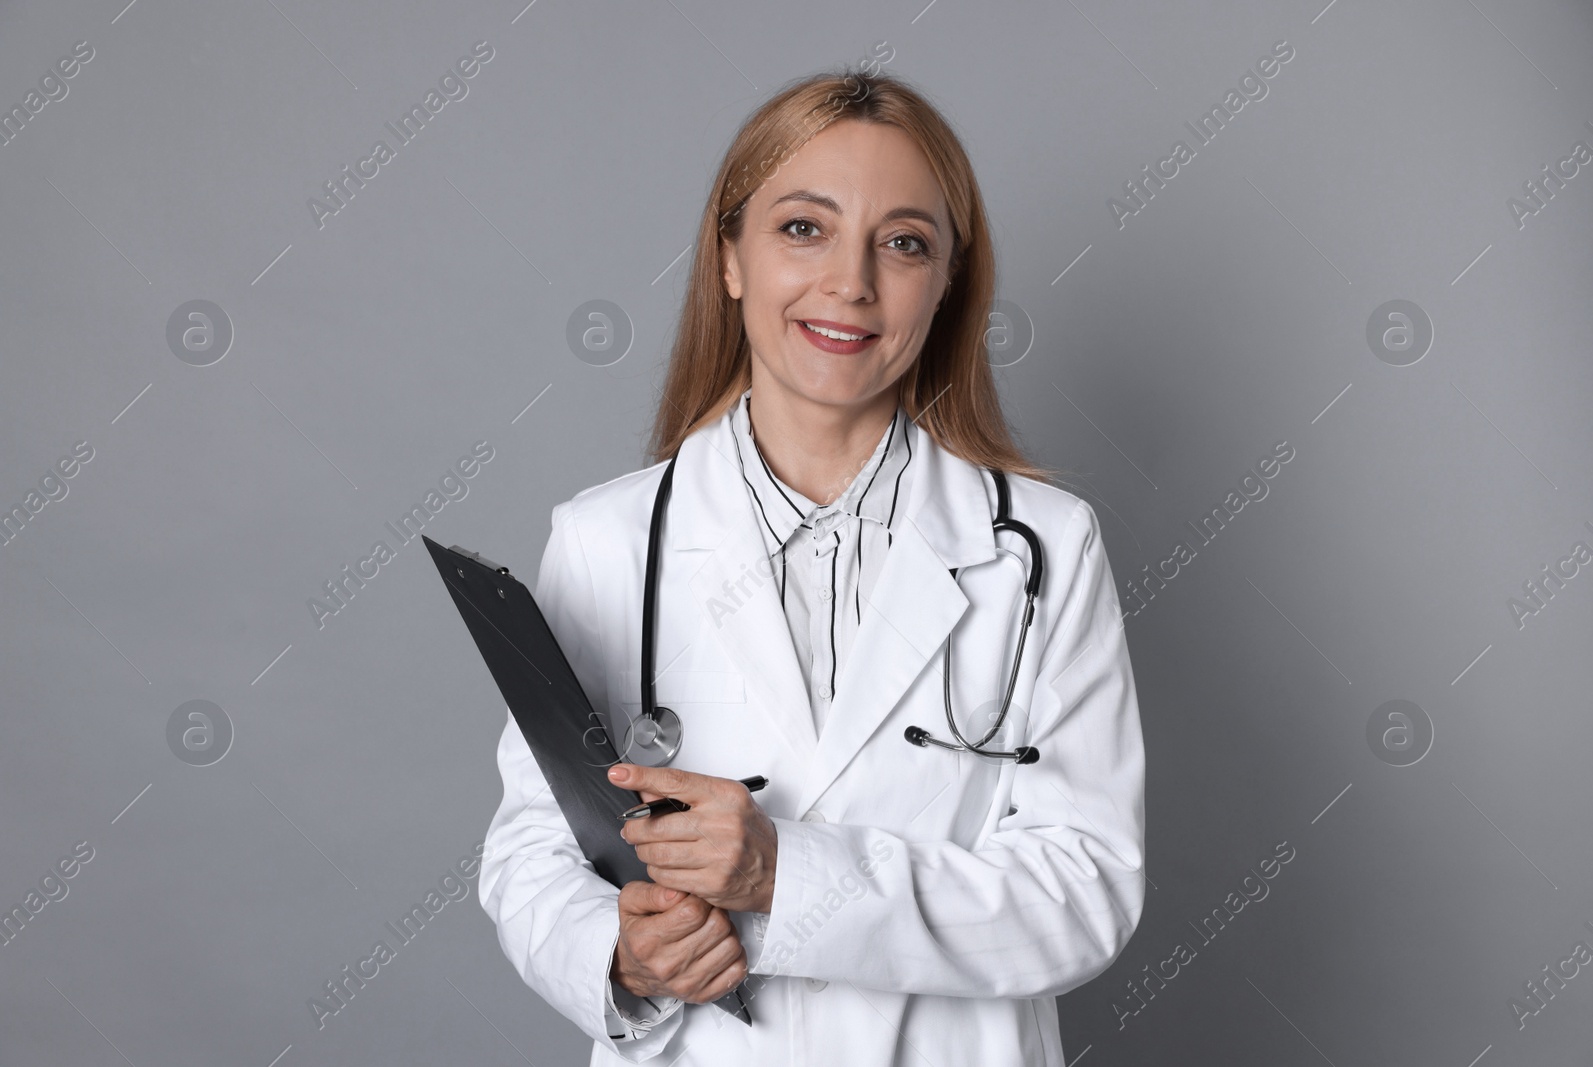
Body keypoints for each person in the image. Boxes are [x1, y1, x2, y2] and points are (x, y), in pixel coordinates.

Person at [478, 68, 1146, 1067]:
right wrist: (619, 953)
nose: (851, 282)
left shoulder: (1042, 549)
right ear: (730, 257)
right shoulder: (608, 539)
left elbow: (1086, 891)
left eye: (904, 243)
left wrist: (785, 871)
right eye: (803, 227)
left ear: (947, 284)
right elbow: (530, 852)